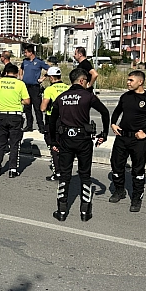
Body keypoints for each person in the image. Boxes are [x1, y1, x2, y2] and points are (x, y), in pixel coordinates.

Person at [48, 68, 110, 221]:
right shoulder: (88, 96)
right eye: (86, 81)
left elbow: (51, 121)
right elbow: (104, 112)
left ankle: (61, 211)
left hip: (66, 140)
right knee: (85, 175)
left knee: (65, 175)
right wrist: (104, 134)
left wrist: (53, 141)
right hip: (83, 140)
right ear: (82, 81)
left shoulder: (61, 97)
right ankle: (85, 212)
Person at [109, 70, 146, 213]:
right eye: (128, 80)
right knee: (116, 165)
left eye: (131, 80)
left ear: (140, 82)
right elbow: (116, 112)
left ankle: (136, 197)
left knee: (137, 170)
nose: (128, 82)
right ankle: (119, 191)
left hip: (139, 140)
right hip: (122, 137)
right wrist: (113, 123)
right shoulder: (125, 97)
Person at [0, 64, 30, 178]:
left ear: (6, 73)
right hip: (15, 116)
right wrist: (17, 102)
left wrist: (2, 100)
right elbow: (27, 101)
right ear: (16, 73)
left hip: (1, 115)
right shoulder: (20, 84)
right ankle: (12, 169)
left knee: (0, 143)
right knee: (14, 144)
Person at [40, 66, 69, 181]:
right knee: (64, 147)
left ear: (51, 77)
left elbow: (43, 108)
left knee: (53, 146)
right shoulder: (68, 88)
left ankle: (57, 172)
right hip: (67, 121)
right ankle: (65, 170)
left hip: (53, 121)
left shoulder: (49, 89)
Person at [19, 44, 49, 133]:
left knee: (37, 108)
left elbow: (49, 69)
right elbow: (21, 68)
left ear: (30, 52)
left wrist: (43, 78)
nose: (24, 54)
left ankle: (41, 126)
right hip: (26, 87)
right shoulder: (25, 61)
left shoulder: (39, 61)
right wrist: (21, 76)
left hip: (35, 87)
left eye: (26, 52)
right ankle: (29, 125)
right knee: (27, 107)